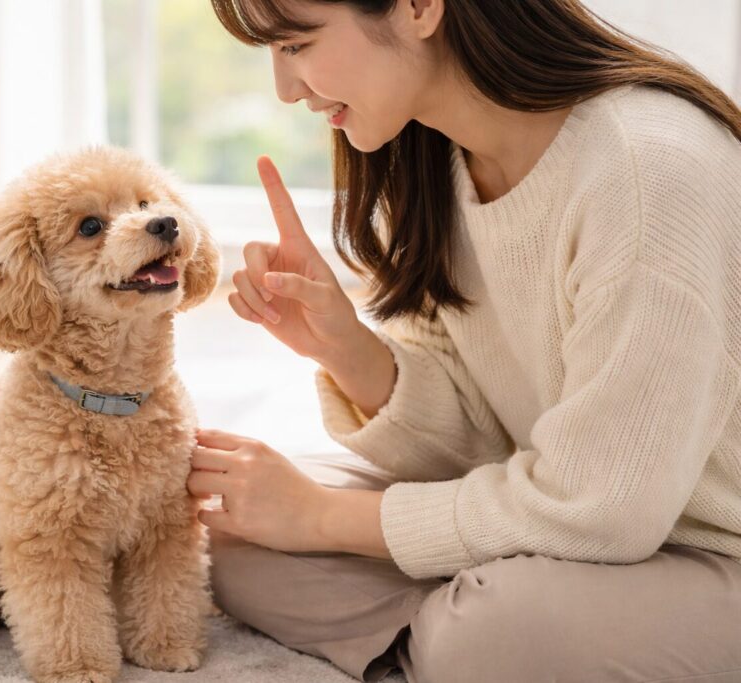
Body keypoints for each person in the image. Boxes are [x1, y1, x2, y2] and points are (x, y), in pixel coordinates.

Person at [184, 1, 741, 681]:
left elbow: (602, 508)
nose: (285, 88)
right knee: (224, 524)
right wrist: (345, 348)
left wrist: (323, 518)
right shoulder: (434, 157)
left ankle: (467, 644)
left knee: (492, 631)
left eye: (297, 44)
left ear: (420, 8)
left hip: (710, 553)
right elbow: (478, 444)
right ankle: (471, 638)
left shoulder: (646, 170)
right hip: (573, 538)